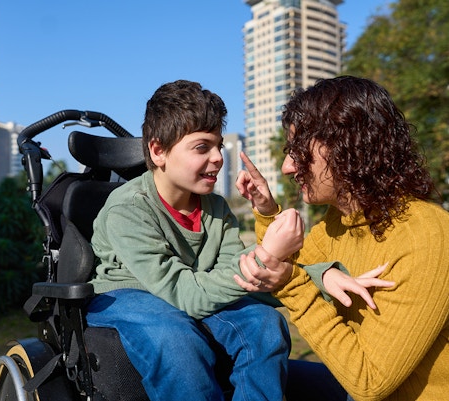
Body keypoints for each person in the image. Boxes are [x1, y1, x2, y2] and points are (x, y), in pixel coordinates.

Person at [85, 79, 306, 401]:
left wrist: (319, 276)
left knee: (264, 324)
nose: (218, 157)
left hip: (192, 290)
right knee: (175, 337)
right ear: (158, 151)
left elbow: (232, 273)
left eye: (218, 145)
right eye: (202, 147)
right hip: (127, 294)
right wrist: (267, 254)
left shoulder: (215, 207)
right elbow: (187, 295)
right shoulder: (127, 208)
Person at [235, 76, 449, 401]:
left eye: (297, 151)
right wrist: (266, 210)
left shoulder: (425, 235)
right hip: (352, 385)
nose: (287, 168)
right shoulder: (340, 221)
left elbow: (369, 382)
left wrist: (293, 284)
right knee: (244, 373)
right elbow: (283, 261)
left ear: (345, 146)